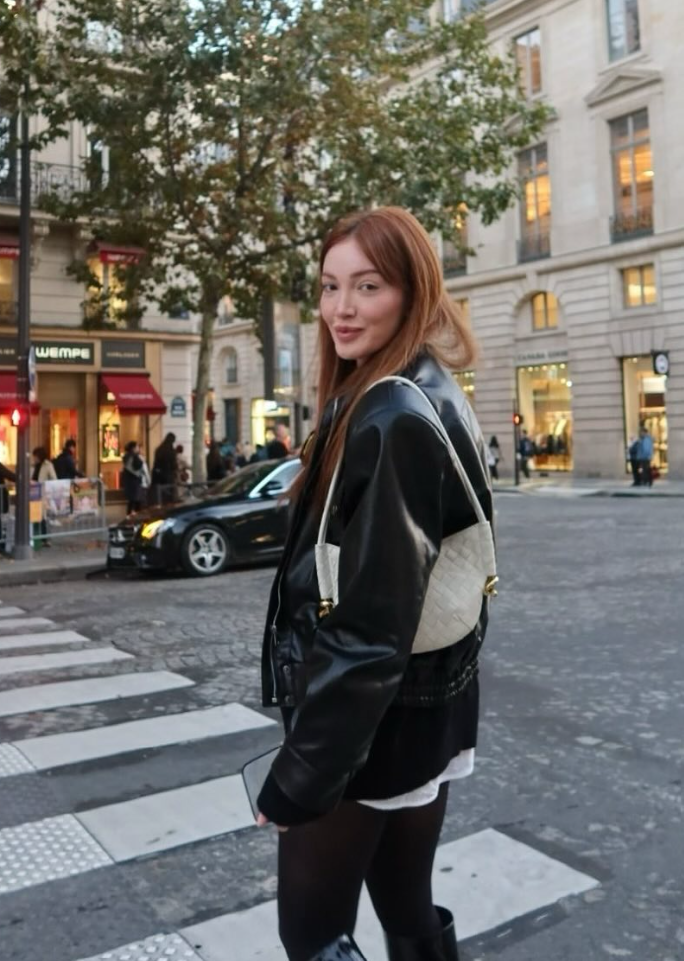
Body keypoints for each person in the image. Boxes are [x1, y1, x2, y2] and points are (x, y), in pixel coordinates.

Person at [255, 207, 492, 961]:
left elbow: (369, 627)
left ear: (412, 291)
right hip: (428, 706)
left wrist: (303, 773)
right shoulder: (424, 388)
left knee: (313, 933)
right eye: (330, 286)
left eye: (368, 285)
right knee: (406, 904)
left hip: (370, 728)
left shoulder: (390, 412)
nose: (341, 309)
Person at [31, 447, 56, 547]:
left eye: (35, 456)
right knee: (35, 516)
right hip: (33, 493)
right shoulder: (34, 466)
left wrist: (47, 487)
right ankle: (37, 537)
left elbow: (54, 478)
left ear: (39, 456)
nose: (34, 458)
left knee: (43, 517)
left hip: (43, 493)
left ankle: (45, 538)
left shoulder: (48, 465)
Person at [121, 441, 150, 514]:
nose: (138, 449)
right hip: (135, 483)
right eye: (137, 447)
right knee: (137, 502)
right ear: (133, 448)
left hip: (131, 483)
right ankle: (136, 517)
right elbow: (138, 468)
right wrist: (142, 461)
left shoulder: (127, 457)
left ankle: (130, 516)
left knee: (132, 502)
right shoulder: (134, 457)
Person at [152, 432, 178, 504]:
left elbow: (156, 463)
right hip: (168, 475)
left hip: (159, 476)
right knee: (169, 495)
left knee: (160, 495)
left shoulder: (159, 449)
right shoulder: (171, 451)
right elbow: (173, 465)